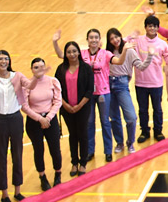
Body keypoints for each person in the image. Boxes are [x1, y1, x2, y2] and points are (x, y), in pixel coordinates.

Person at [53, 28, 115, 162]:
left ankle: (108, 150)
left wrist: (126, 49)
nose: (93, 40)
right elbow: (62, 55)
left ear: (100, 40)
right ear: (87, 40)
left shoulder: (105, 53)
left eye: (96, 37)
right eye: (91, 37)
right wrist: (55, 42)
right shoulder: (81, 53)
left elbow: (119, 61)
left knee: (105, 122)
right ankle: (90, 151)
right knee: (89, 123)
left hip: (103, 92)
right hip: (87, 95)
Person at [0, 49, 27, 202]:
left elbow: (29, 85)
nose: (3, 61)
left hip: (16, 118)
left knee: (17, 154)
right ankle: (4, 193)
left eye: (6, 59)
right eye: (0, 59)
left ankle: (17, 190)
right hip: (0, 120)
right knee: (1, 157)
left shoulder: (17, 76)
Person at [106, 28, 153, 154]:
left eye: (116, 37)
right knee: (114, 118)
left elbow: (141, 67)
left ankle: (130, 142)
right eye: (111, 38)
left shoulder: (130, 50)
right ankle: (119, 143)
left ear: (120, 37)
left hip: (122, 85)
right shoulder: (107, 53)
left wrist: (150, 56)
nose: (115, 40)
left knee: (131, 117)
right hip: (108, 85)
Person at [21, 58, 63, 190]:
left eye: (41, 66)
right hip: (34, 122)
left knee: (55, 149)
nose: (39, 69)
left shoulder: (53, 81)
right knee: (38, 150)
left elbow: (58, 101)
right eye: (36, 67)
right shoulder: (27, 85)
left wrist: (48, 117)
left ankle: (58, 173)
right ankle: (42, 177)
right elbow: (24, 105)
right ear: (31, 69)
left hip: (50, 120)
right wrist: (40, 119)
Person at [54, 41, 93, 176]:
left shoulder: (86, 68)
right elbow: (56, 90)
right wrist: (65, 105)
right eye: (69, 52)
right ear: (65, 54)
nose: (72, 54)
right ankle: (74, 163)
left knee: (82, 134)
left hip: (82, 107)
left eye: (74, 51)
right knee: (73, 134)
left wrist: (79, 106)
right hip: (67, 109)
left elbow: (90, 89)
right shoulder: (60, 69)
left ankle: (83, 163)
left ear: (79, 52)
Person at [134, 14, 168, 142]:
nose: (152, 29)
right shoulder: (138, 41)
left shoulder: (162, 44)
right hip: (140, 83)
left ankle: (158, 131)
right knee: (143, 109)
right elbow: (124, 44)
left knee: (157, 109)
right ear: (145, 27)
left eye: (155, 26)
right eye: (150, 26)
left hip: (156, 83)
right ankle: (144, 131)